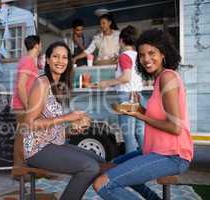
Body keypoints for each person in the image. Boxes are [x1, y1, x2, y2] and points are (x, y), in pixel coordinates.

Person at [93, 29, 193, 200]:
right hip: (155, 151)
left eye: (151, 53)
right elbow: (161, 118)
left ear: (163, 54)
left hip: (172, 156)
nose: (146, 59)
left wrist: (140, 115)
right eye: (141, 55)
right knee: (109, 167)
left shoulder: (167, 77)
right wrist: (139, 109)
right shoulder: (159, 79)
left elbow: (175, 127)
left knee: (102, 183)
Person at [22, 41, 105, 200]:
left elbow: (52, 126)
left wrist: (71, 130)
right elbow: (29, 123)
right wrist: (67, 117)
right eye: (56, 56)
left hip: (53, 145)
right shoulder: (42, 83)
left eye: (64, 57)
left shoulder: (59, 86)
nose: (60, 61)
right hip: (37, 150)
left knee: (100, 161)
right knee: (90, 167)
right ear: (47, 59)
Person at [98, 25, 144, 153]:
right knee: (140, 133)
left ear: (121, 40)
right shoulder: (138, 56)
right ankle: (146, 160)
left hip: (126, 97)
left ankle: (132, 166)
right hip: (138, 96)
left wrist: (107, 83)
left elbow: (126, 78)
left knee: (129, 136)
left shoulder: (124, 56)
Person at [12, 35, 41, 166]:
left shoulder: (30, 61)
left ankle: (25, 170)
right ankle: (19, 172)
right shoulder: (28, 61)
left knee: (27, 138)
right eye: (41, 44)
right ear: (36, 45)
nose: (41, 46)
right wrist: (28, 107)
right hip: (22, 107)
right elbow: (21, 86)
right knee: (22, 139)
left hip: (25, 106)